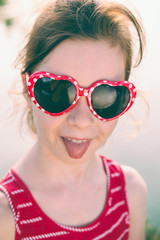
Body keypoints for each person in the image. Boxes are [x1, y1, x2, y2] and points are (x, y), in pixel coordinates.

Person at [0, 0, 147, 239]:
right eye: (58, 90)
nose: (81, 120)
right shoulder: (6, 219)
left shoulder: (131, 193)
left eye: (105, 94)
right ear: (28, 89)